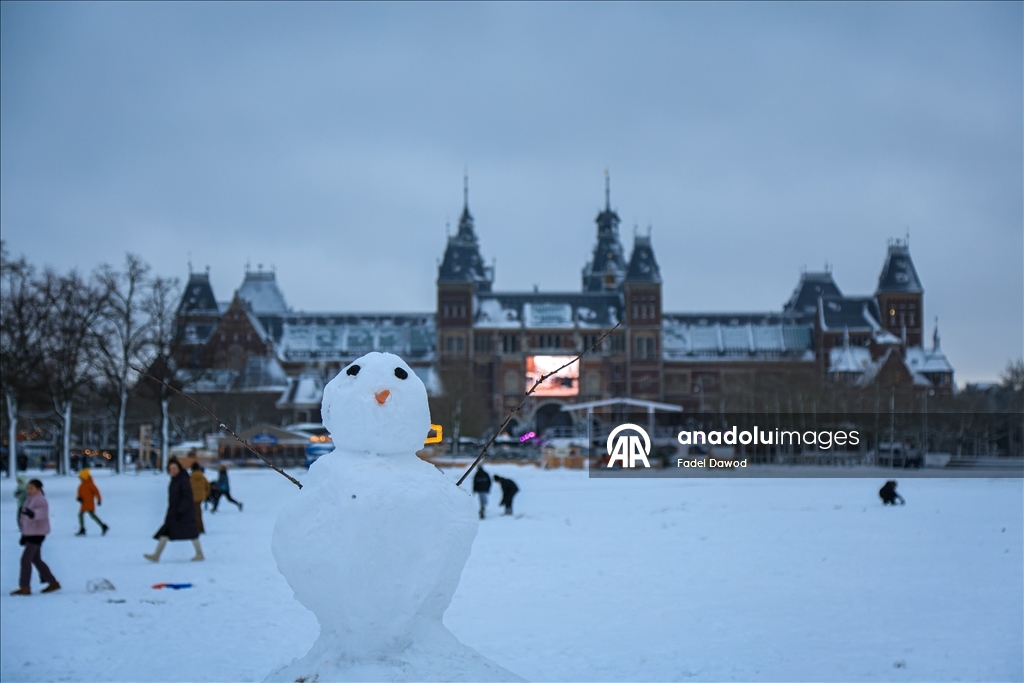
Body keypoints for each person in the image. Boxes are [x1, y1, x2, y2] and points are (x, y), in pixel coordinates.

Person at [144, 458, 204, 562]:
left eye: (175, 468)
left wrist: (181, 510)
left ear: (179, 468)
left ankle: (200, 554)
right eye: (171, 469)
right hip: (174, 512)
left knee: (191, 532)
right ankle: (156, 555)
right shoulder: (175, 480)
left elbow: (187, 497)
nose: (173, 471)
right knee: (166, 532)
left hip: (183, 512)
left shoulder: (183, 480)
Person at [11, 479, 61, 595]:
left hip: (37, 534)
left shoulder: (40, 499)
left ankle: (25, 587)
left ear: (38, 489)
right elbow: (25, 519)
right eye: (28, 488)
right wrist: (24, 535)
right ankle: (53, 583)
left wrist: (33, 514)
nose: (29, 490)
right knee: (36, 559)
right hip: (31, 534)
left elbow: (42, 513)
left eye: (31, 488)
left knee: (25, 560)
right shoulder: (30, 499)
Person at [75, 468, 109, 536]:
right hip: (84, 503)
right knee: (90, 515)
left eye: (81, 477)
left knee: (83, 514)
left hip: (89, 503)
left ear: (84, 477)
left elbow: (97, 492)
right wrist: (79, 498)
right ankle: (103, 526)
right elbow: (79, 493)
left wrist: (99, 500)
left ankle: (83, 529)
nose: (80, 478)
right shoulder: (82, 485)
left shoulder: (90, 484)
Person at [190, 461, 210, 534]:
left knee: (195, 513)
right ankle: (200, 528)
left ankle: (198, 528)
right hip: (200, 497)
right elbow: (208, 486)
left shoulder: (190, 477)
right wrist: (205, 495)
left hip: (192, 497)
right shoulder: (202, 477)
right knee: (198, 513)